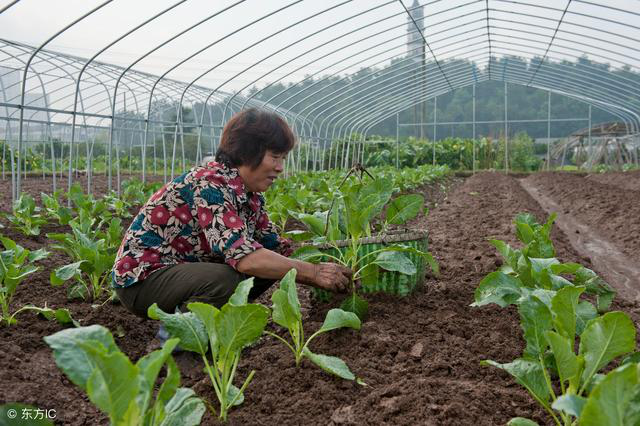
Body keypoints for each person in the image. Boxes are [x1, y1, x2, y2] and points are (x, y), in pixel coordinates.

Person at [112, 108, 353, 321]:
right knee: (226, 278)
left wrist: (324, 261)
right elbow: (246, 258)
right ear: (249, 153)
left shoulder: (250, 195)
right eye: (275, 157)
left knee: (272, 262)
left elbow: (275, 247)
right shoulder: (210, 184)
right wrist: (312, 273)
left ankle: (211, 325)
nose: (280, 167)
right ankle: (180, 340)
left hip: (183, 274)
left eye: (283, 158)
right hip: (142, 281)